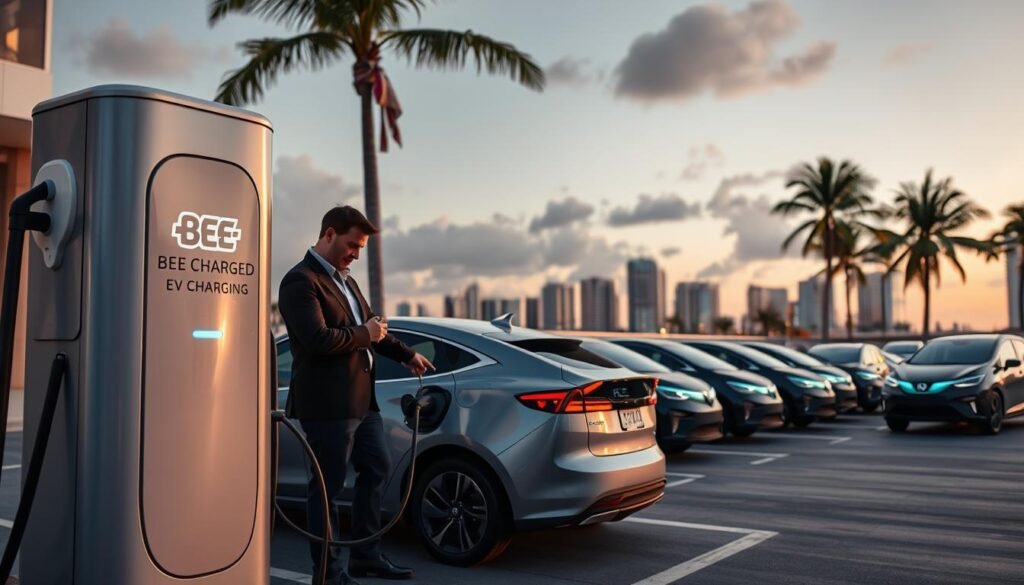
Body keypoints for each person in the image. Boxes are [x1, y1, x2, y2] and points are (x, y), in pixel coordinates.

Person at [278, 206, 434, 584]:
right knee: (326, 489)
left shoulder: (347, 283)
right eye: (352, 245)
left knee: (377, 468)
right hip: (327, 405)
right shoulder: (300, 281)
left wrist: (406, 354)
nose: (356, 255)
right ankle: (328, 574)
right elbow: (318, 340)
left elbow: (374, 329)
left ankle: (366, 556)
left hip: (363, 402)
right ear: (329, 234)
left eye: (361, 248)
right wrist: (366, 333)